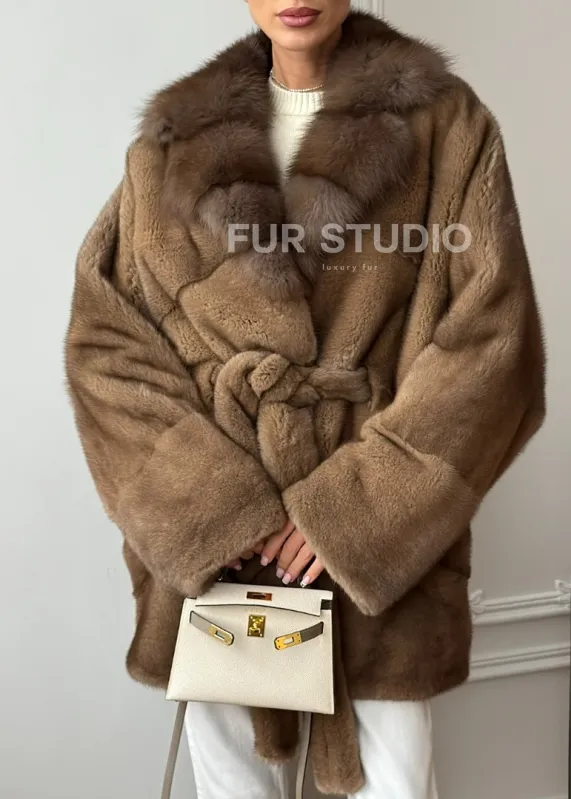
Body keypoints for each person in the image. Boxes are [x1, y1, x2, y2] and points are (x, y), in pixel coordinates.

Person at [64, 2, 546, 797]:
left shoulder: (445, 124)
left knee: (395, 784)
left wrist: (349, 512)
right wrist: (217, 507)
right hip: (223, 556)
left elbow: (495, 342)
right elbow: (105, 344)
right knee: (235, 787)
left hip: (381, 556)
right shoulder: (172, 141)